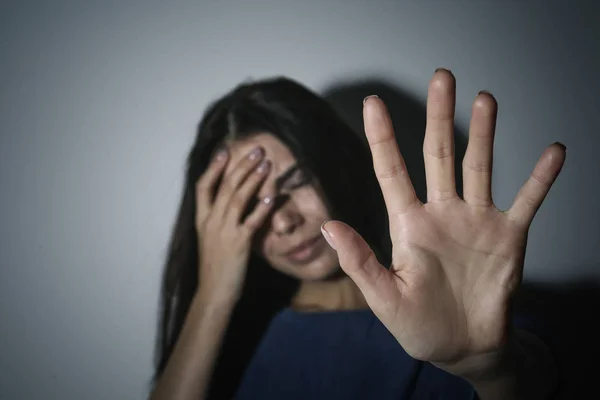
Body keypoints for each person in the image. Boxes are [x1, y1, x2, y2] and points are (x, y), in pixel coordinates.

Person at [149, 69, 563, 400]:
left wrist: (489, 369)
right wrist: (213, 294)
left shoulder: (458, 308)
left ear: (339, 165)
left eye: (297, 181)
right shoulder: (230, 342)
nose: (283, 221)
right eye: (250, 204)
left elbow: (527, 375)